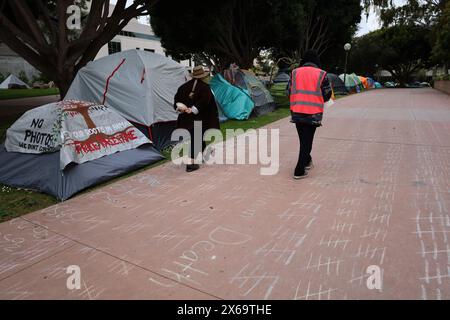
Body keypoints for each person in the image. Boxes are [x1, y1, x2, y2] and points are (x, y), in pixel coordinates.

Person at [288, 50, 332, 179]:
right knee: (307, 141)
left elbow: (288, 91)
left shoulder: (294, 72)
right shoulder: (322, 74)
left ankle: (307, 161)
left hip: (297, 110)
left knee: (303, 140)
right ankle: (299, 170)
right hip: (313, 112)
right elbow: (327, 94)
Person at [174, 65, 220, 172]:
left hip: (185, 119)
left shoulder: (182, 87)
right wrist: (193, 109)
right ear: (203, 76)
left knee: (198, 137)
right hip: (198, 119)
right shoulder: (204, 87)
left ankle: (204, 155)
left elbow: (176, 102)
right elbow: (205, 101)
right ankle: (190, 164)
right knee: (196, 140)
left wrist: (181, 109)